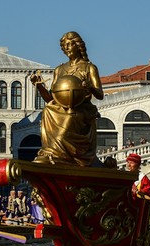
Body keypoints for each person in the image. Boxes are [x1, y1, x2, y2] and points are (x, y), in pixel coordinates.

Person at [30, 31, 103, 167]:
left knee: (70, 117)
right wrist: (39, 85)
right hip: (62, 107)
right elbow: (52, 99)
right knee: (47, 110)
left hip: (82, 109)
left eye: (70, 44)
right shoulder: (59, 70)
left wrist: (90, 87)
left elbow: (100, 94)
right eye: (65, 46)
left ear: (78, 46)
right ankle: (50, 152)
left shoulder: (89, 68)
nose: (67, 48)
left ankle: (60, 156)